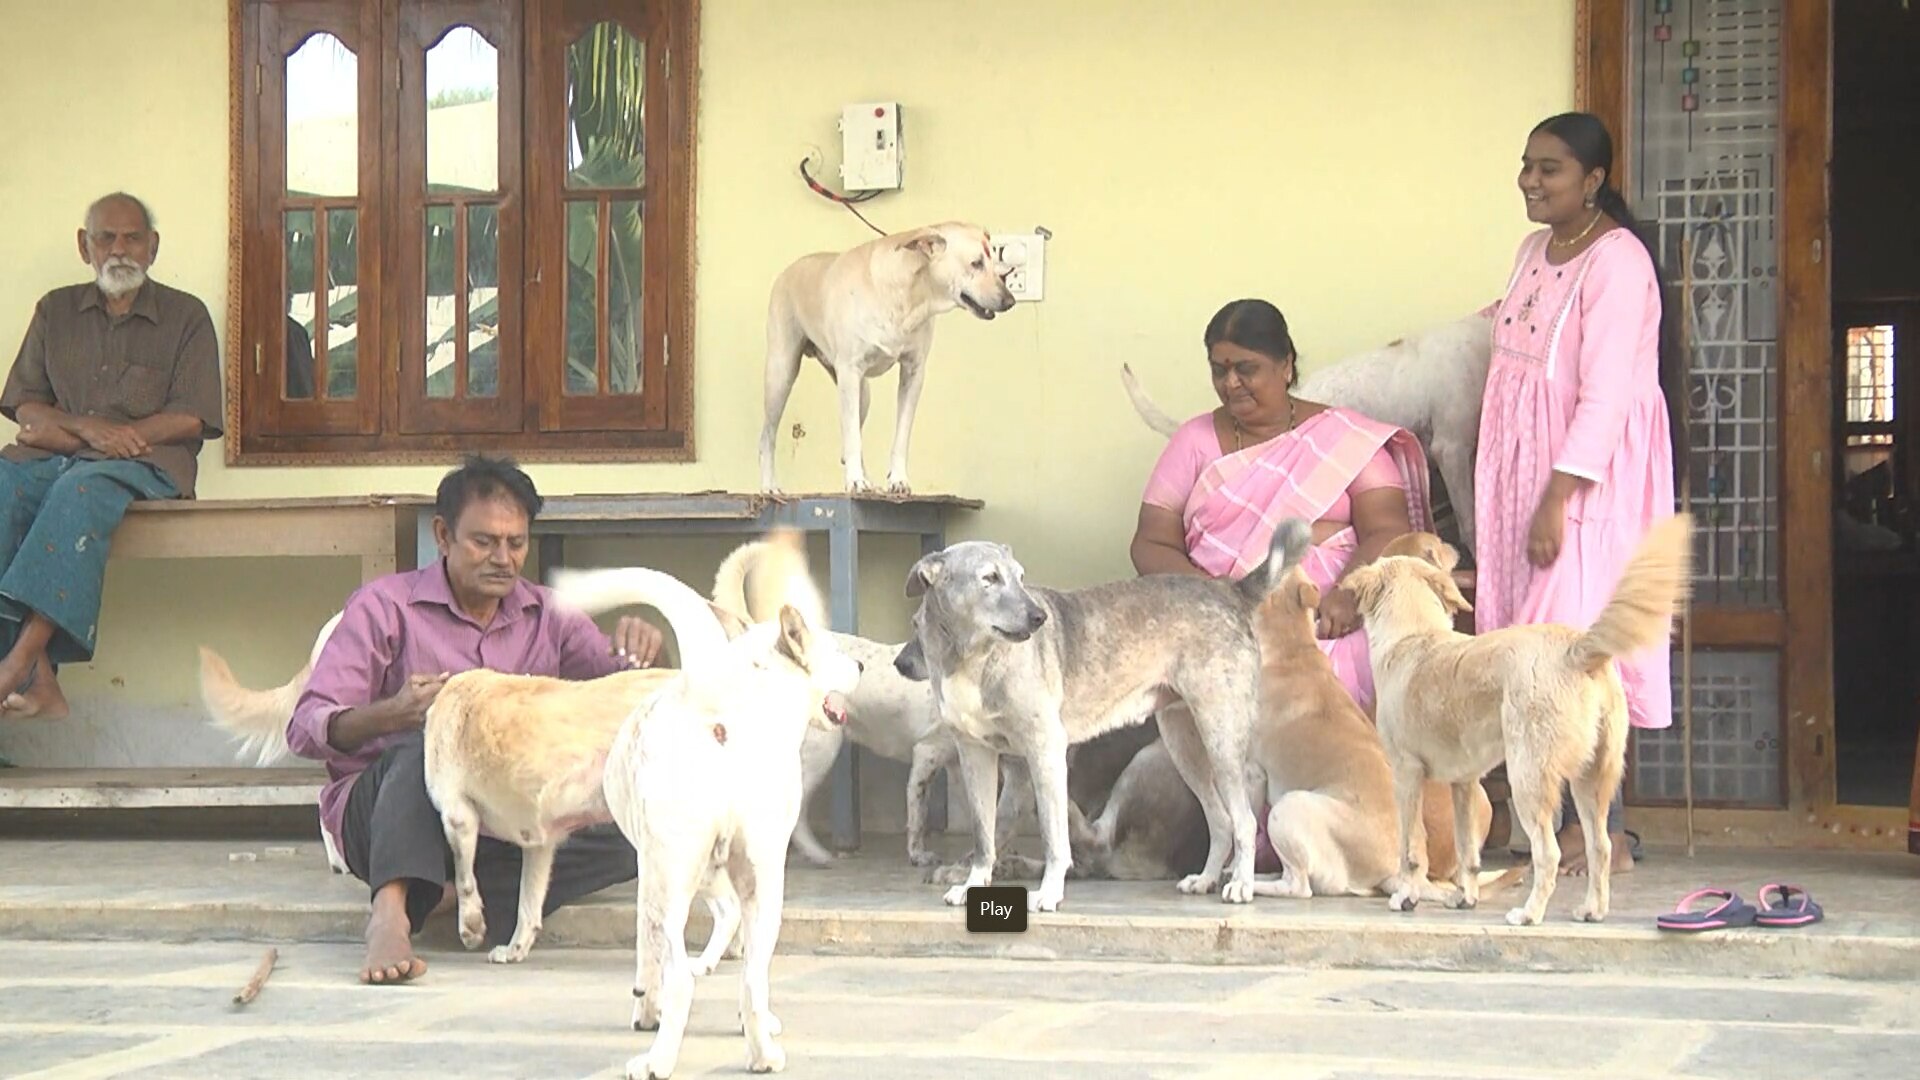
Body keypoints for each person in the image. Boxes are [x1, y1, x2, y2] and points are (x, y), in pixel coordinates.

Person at [288, 455, 666, 984]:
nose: (503, 559)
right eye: (484, 542)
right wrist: (390, 712)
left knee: (638, 818)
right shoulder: (385, 607)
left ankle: (443, 897)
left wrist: (640, 650)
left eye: (516, 543)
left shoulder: (548, 615)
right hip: (386, 814)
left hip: (500, 816)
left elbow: (619, 695)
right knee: (429, 746)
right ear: (443, 535)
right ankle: (392, 911)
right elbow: (306, 725)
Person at [1475, 112, 1689, 876]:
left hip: (1584, 484)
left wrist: (1556, 498)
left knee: (1570, 653)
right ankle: (1550, 827)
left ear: (1593, 180)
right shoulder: (1535, 249)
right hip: (1526, 473)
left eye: (1551, 169)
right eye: (1526, 165)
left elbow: (1603, 396)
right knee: (1533, 654)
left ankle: (1608, 834)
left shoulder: (1619, 261)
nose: (1531, 181)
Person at [1130, 298, 1434, 714]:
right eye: (1219, 370)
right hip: (1225, 621)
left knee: (1390, 652)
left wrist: (1350, 593)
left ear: (1286, 365)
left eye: (1246, 368)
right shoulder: (1194, 440)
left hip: (1336, 619)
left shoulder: (1343, 437)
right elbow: (1150, 541)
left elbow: (1390, 529)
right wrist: (1216, 599)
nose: (1231, 383)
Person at [1, 192, 224, 720]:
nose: (119, 249)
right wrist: (89, 431)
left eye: (132, 238)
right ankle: (45, 681)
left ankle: (19, 662)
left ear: (153, 247)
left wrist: (102, 438)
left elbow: (193, 417)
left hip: (146, 464)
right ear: (85, 246)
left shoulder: (186, 315)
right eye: (106, 237)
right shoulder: (54, 310)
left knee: (83, 489)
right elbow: (25, 404)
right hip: (61, 459)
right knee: (6, 487)